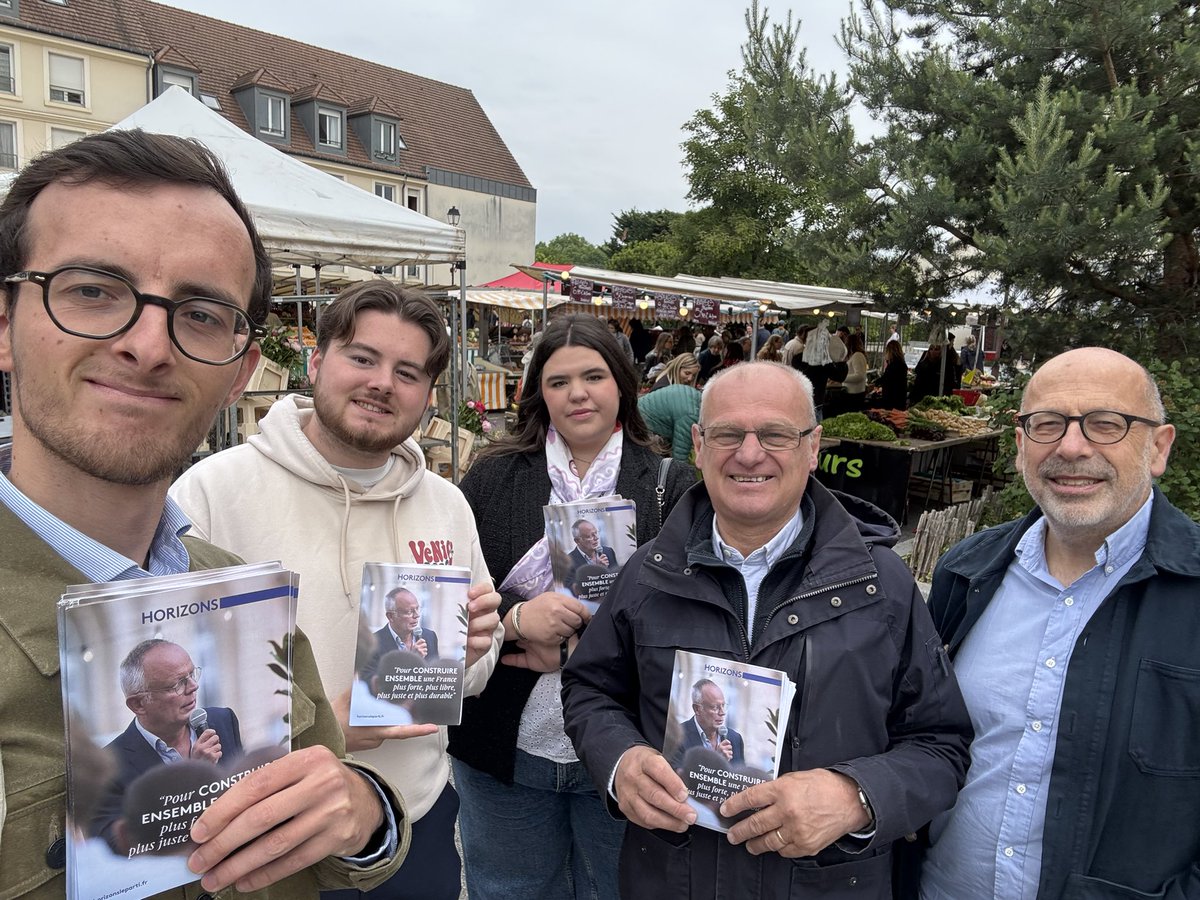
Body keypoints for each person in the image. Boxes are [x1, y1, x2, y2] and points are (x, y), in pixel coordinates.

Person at [0, 129, 406, 898]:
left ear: (239, 372)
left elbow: (335, 827)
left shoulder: (249, 603)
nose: (148, 344)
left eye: (201, 313)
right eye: (93, 289)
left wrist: (364, 812)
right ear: (5, 324)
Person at [561, 361, 972, 897]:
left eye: (775, 434)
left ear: (813, 446)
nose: (749, 454)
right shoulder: (647, 575)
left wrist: (857, 796)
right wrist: (619, 761)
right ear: (699, 445)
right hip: (672, 880)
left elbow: (941, 744)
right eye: (728, 434)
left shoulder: (881, 587)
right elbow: (589, 689)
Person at [171, 279, 503, 900]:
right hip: (262, 835)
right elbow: (172, 680)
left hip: (415, 818)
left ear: (429, 396)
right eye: (362, 358)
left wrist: (475, 647)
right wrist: (318, 725)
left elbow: (474, 668)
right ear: (317, 362)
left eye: (408, 372)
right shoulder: (211, 494)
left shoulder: (446, 505)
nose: (382, 382)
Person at [915, 347, 1196, 900]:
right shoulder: (966, 575)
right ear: (1021, 447)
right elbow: (919, 734)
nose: (1071, 447)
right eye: (1047, 425)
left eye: (1106, 424)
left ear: (1159, 448)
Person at [446, 315, 695, 900]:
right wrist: (514, 619)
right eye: (558, 382)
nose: (577, 393)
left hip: (627, 749)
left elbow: (698, 613)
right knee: (507, 890)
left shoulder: (673, 485)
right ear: (538, 393)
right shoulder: (494, 476)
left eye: (594, 376)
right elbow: (444, 588)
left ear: (622, 387)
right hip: (504, 747)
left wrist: (582, 648)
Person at [93, 640, 245, 851]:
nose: (193, 687)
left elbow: (244, 794)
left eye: (192, 674)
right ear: (139, 704)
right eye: (177, 684)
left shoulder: (222, 720)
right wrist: (192, 780)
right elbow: (120, 847)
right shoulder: (107, 765)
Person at [670, 680, 745, 767]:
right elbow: (679, 776)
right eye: (715, 707)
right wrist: (714, 761)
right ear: (697, 709)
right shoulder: (677, 736)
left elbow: (740, 777)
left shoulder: (735, 738)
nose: (722, 712)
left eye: (723, 706)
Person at [638, 383, 702, 464]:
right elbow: (680, 455)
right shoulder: (691, 415)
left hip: (639, 414)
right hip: (644, 426)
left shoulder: (694, 395)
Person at [375, 587, 439, 660]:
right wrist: (411, 660)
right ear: (391, 616)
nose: (417, 615)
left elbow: (435, 670)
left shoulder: (430, 637)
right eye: (409, 612)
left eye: (417, 609)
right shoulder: (374, 643)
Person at [840, 332, 868, 412]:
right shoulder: (856, 355)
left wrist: (843, 378)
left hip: (854, 394)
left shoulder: (857, 356)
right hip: (854, 392)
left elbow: (859, 376)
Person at [880, 340, 909, 410]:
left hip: (892, 400)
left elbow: (887, 379)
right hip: (899, 399)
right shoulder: (901, 363)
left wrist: (877, 382)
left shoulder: (894, 365)